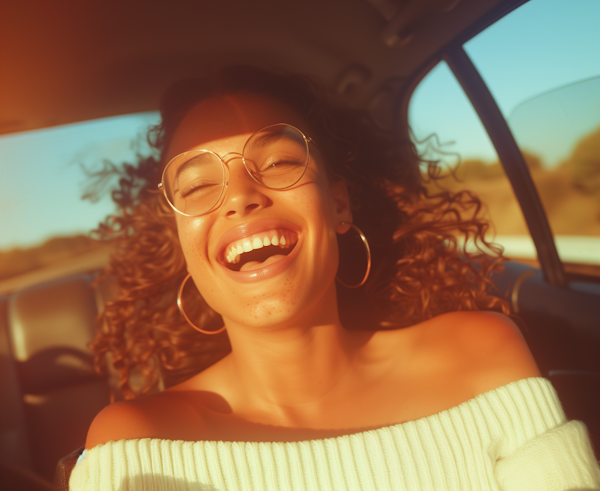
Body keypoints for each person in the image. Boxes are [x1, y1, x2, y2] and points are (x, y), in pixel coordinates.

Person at [66, 67, 600, 490]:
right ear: (183, 243)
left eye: (278, 162)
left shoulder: (482, 353)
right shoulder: (134, 442)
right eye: (198, 186)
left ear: (338, 204)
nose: (240, 196)